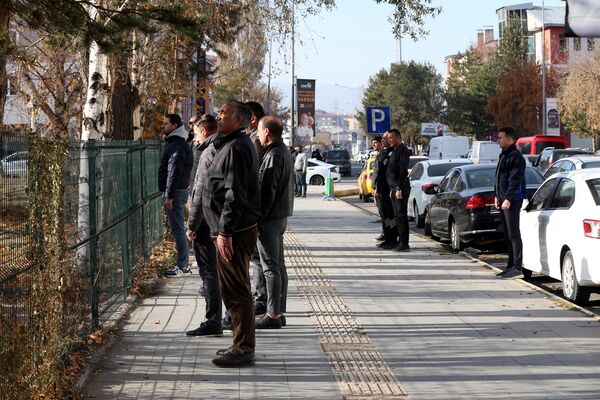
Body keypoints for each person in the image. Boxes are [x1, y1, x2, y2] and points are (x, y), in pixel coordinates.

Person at [203, 100, 260, 367]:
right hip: (231, 228)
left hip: (234, 230)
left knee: (237, 291)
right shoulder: (230, 143)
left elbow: (234, 194)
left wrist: (225, 231)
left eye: (223, 113)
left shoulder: (237, 147)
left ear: (238, 120)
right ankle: (240, 341)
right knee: (233, 289)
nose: (218, 116)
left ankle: (243, 348)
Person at [254, 116, 294, 329]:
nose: (257, 135)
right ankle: (279, 311)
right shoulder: (282, 151)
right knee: (278, 265)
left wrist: (258, 219)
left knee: (270, 267)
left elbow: (267, 190)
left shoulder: (273, 155)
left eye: (259, 131)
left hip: (269, 218)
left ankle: (273, 314)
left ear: (267, 132)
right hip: (279, 216)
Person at [185, 114, 223, 336]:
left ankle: (213, 319)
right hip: (222, 219)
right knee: (222, 271)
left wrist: (192, 224)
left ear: (205, 132)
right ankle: (226, 317)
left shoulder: (207, 152)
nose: (195, 138)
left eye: (196, 133)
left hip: (206, 220)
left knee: (209, 272)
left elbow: (200, 191)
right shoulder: (227, 147)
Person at [158, 113, 194, 276]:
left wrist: (169, 196)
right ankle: (183, 264)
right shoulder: (177, 143)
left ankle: (183, 266)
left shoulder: (177, 145)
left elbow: (174, 172)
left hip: (175, 192)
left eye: (166, 124)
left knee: (178, 229)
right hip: (178, 191)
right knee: (178, 228)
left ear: (174, 125)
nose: (163, 126)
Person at [494, 127, 526, 279]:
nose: (498, 140)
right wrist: (497, 195)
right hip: (503, 199)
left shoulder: (516, 157)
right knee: (507, 234)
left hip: (512, 200)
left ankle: (517, 267)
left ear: (510, 139)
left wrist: (508, 198)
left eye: (500, 138)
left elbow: (515, 180)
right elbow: (498, 177)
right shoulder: (504, 155)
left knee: (514, 234)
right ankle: (510, 265)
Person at [386, 129, 411, 252]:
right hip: (394, 188)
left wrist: (398, 188)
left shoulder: (403, 150)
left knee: (401, 215)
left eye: (391, 138)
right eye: (388, 138)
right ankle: (398, 241)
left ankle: (404, 243)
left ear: (398, 137)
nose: (389, 140)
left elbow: (402, 170)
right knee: (397, 216)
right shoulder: (394, 150)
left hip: (400, 188)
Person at [372, 135, 396, 248]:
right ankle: (387, 236)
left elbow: (381, 173)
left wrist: (378, 187)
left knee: (388, 215)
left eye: (376, 143)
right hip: (379, 189)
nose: (374, 145)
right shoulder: (381, 154)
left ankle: (391, 237)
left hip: (383, 190)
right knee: (384, 215)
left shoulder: (386, 154)